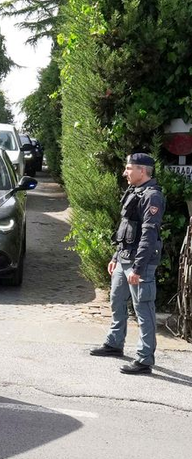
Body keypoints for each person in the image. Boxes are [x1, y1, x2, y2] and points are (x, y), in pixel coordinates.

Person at [89, 152, 165, 374]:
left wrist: (138, 268)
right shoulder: (134, 191)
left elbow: (149, 235)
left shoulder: (153, 197)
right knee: (116, 301)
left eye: (129, 168)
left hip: (139, 263)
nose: (125, 172)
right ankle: (114, 344)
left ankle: (144, 359)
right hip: (123, 259)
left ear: (142, 170)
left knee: (143, 309)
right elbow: (125, 228)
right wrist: (115, 257)